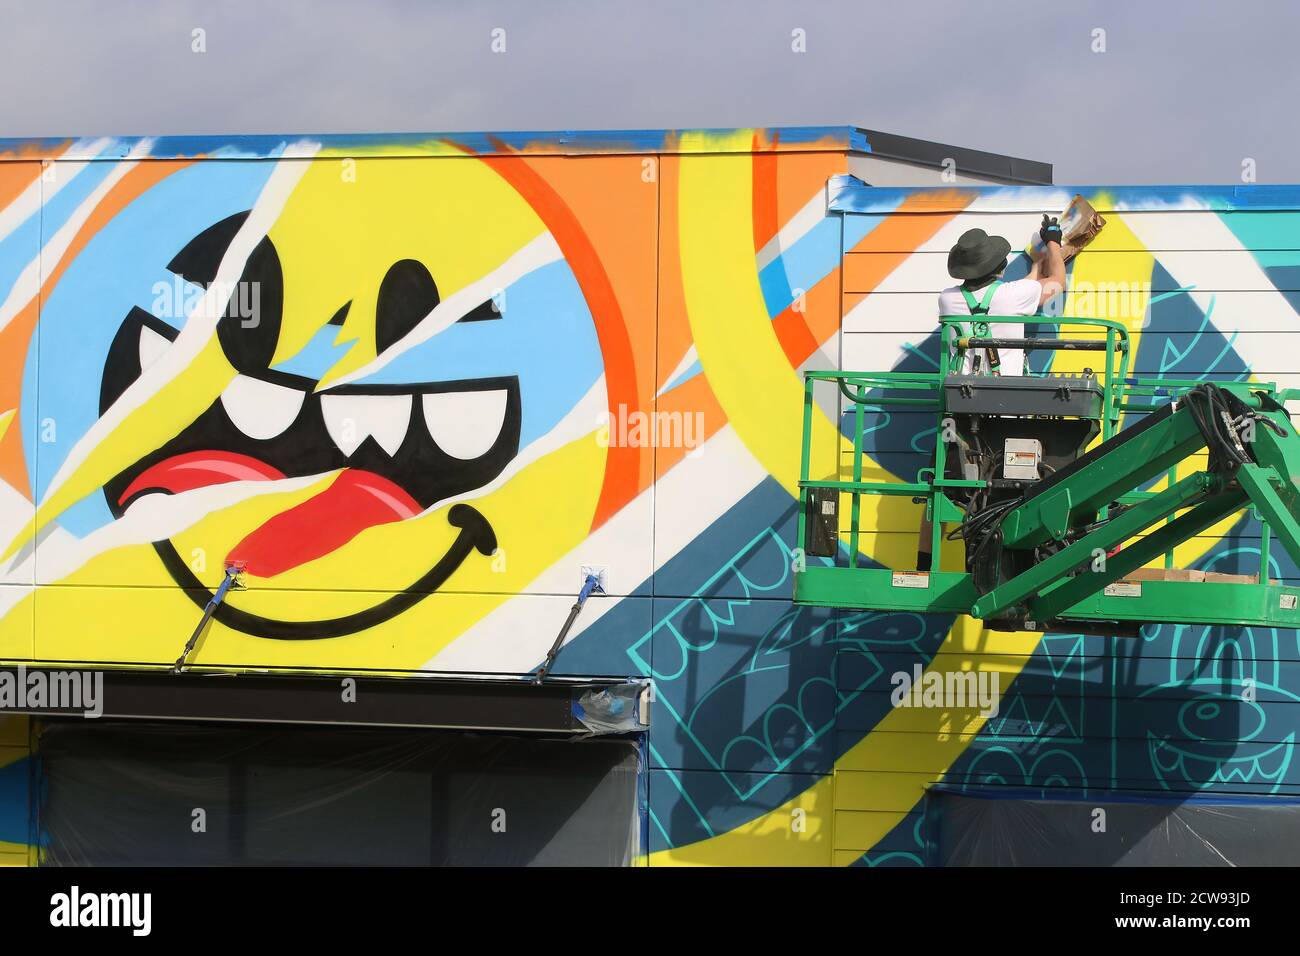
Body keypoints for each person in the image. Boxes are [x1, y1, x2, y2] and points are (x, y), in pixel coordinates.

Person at [939, 216, 1068, 376]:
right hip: (1004, 388)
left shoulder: (947, 298)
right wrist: (1053, 241)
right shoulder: (1014, 295)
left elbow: (1002, 295)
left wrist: (1036, 269)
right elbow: (1058, 282)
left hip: (960, 388)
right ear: (1000, 267)